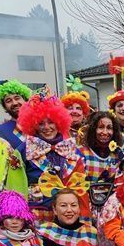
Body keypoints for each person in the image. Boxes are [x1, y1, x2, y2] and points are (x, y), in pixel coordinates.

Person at [16, 93, 83, 222]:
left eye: (51, 122)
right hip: (36, 215)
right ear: (33, 125)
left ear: (59, 122)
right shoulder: (23, 150)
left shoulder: (71, 149)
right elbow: (16, 189)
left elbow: (81, 186)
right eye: (41, 123)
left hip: (69, 215)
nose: (47, 128)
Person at [78, 110, 123, 188]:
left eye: (109, 128)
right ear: (93, 130)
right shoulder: (81, 152)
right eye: (101, 127)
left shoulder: (117, 155)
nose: (105, 132)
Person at [0, 79, 33, 155]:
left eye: (17, 98)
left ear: (25, 100)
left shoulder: (41, 125)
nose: (14, 103)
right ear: (4, 107)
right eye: (8, 101)